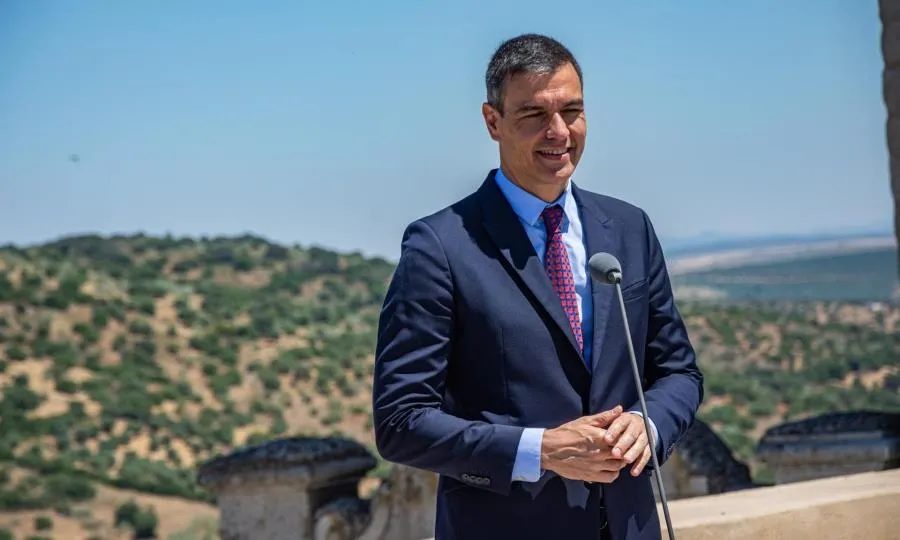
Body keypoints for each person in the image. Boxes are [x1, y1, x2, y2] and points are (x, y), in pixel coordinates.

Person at [372, 33, 704, 540]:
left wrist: (648, 425)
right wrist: (541, 450)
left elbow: (678, 372)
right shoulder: (438, 246)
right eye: (533, 115)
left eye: (572, 110)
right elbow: (401, 421)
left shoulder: (630, 227)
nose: (559, 132)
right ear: (492, 121)